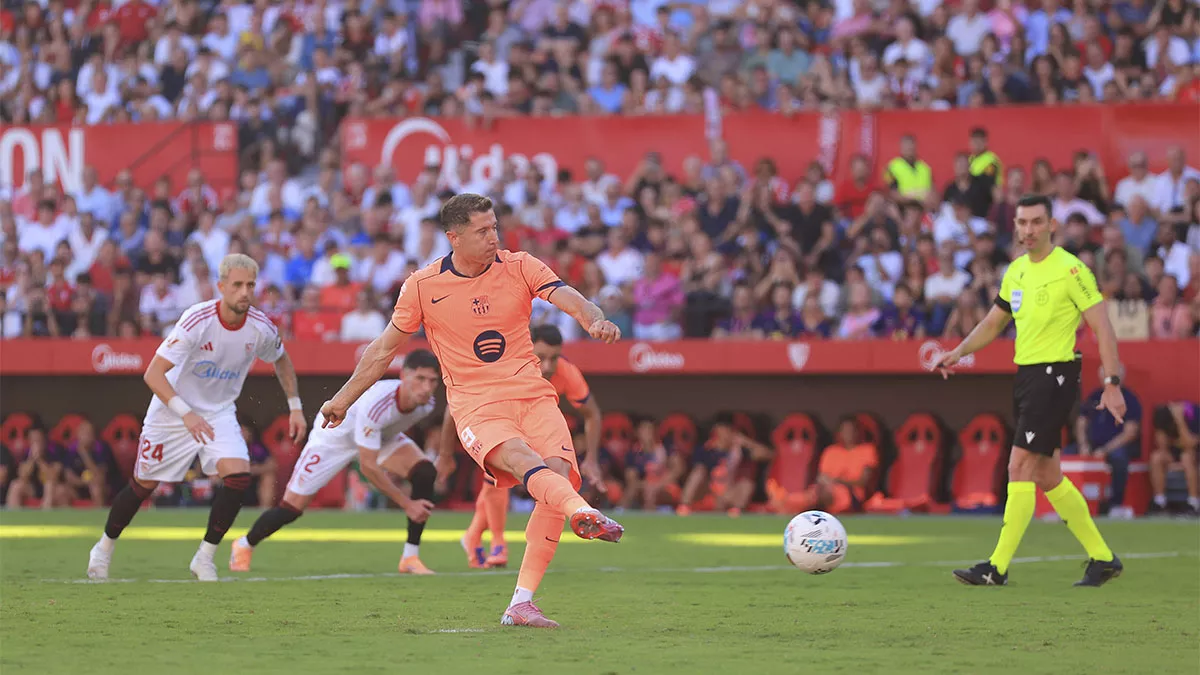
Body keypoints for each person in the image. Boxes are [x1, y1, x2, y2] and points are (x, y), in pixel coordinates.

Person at [318, 193, 624, 629]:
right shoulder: (422, 286)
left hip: (534, 396)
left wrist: (593, 318)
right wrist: (343, 399)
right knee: (529, 465)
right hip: (477, 406)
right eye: (482, 231)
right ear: (454, 237)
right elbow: (384, 349)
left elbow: (568, 296)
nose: (493, 237)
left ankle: (521, 602)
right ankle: (582, 513)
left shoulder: (519, 265)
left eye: (495, 227)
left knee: (556, 475)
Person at [936, 194, 1127, 587]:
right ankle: (1102, 558)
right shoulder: (1016, 271)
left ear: (1051, 225)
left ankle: (997, 567)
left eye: (1036, 222)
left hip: (1055, 375)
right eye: (1022, 223)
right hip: (1027, 376)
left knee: (1018, 466)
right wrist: (958, 351)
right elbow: (993, 323)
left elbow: (1102, 328)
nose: (1028, 230)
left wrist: (1111, 383)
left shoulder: (1072, 271)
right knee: (1047, 474)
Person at [86, 254, 308, 582]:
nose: (245, 292)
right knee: (142, 485)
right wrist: (186, 415)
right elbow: (153, 374)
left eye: (250, 285)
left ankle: (204, 557)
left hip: (218, 412)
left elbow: (282, 360)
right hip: (172, 409)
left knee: (238, 477)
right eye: (237, 285)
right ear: (221, 287)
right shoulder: (197, 320)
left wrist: (295, 406)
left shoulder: (261, 327)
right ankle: (103, 548)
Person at [231, 350, 444, 573]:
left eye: (432, 381)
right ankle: (244, 544)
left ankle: (410, 557)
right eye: (420, 379)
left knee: (425, 472)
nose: (427, 388)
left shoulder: (426, 404)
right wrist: (407, 503)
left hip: (377, 438)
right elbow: (368, 466)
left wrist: (444, 457)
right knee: (291, 508)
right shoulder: (378, 403)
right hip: (333, 440)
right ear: (404, 376)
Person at [457, 324, 605, 570]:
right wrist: (443, 452)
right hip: (496, 422)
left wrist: (591, 458)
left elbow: (593, 414)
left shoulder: (567, 372)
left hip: (535, 426)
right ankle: (497, 542)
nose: (548, 366)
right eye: (541, 357)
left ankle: (473, 536)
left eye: (554, 358)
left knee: (544, 477)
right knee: (494, 477)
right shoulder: (506, 366)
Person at [767, 416, 878, 515]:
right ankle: (789, 502)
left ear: (857, 432)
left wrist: (838, 481)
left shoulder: (867, 450)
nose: (848, 433)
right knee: (816, 490)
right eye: (845, 430)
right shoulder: (831, 451)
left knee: (821, 493)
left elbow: (863, 481)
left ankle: (788, 503)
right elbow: (822, 477)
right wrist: (826, 482)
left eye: (851, 430)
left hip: (853, 495)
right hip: (826, 490)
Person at [1073, 366, 1141, 519]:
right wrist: (1083, 445)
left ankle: (1116, 504)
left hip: (1118, 446)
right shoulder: (1094, 396)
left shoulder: (1129, 399)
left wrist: (1105, 450)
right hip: (1092, 445)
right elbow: (1081, 422)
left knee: (1119, 459)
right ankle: (1065, 505)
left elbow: (1130, 432)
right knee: (1065, 455)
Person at [1148, 401, 1199, 516]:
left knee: (1186, 457)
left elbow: (1189, 445)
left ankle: (1193, 503)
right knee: (1156, 457)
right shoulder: (1162, 415)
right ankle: (1159, 502)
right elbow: (1162, 447)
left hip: (1193, 457)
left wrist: (1180, 420)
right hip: (1174, 458)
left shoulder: (1195, 415)